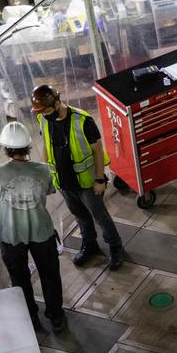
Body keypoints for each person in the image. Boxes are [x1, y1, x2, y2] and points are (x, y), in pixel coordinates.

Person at [0, 121, 66, 333]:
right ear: (28, 146)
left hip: (10, 236)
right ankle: (55, 316)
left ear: (5, 148)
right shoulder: (44, 170)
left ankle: (31, 319)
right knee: (50, 275)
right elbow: (49, 190)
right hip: (42, 232)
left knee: (19, 279)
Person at [30, 84, 124, 270]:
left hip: (88, 183)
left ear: (57, 103)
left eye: (46, 110)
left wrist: (99, 179)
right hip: (64, 182)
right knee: (80, 215)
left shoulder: (83, 120)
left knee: (100, 216)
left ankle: (115, 246)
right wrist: (48, 171)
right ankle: (90, 244)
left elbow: (98, 151)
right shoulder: (44, 118)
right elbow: (45, 145)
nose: (43, 114)